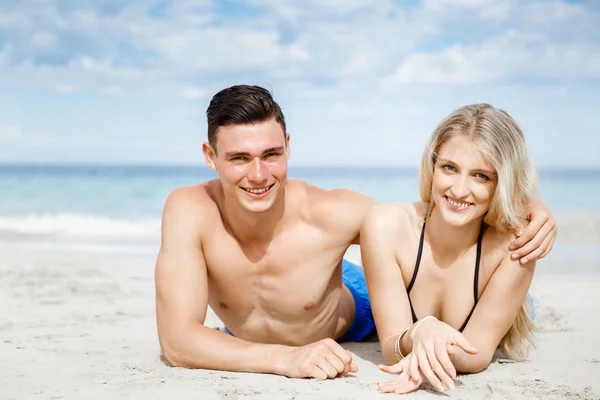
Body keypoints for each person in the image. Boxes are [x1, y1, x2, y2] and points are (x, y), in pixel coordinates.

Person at [154, 86, 556, 380]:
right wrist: (284, 359)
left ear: (288, 147)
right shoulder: (189, 210)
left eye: (271, 155)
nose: (258, 175)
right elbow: (176, 343)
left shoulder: (333, 213)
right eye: (239, 158)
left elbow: (426, 224)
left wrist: (526, 205)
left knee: (480, 307)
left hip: (355, 304)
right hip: (293, 318)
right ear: (210, 156)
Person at [360, 103, 546, 394]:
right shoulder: (385, 225)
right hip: (368, 288)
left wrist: (426, 343)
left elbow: (477, 354)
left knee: (529, 311)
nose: (459, 190)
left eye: (481, 176)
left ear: (503, 183)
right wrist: (422, 330)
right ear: (432, 166)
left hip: (500, 295)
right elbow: (390, 345)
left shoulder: (513, 247)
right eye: (449, 168)